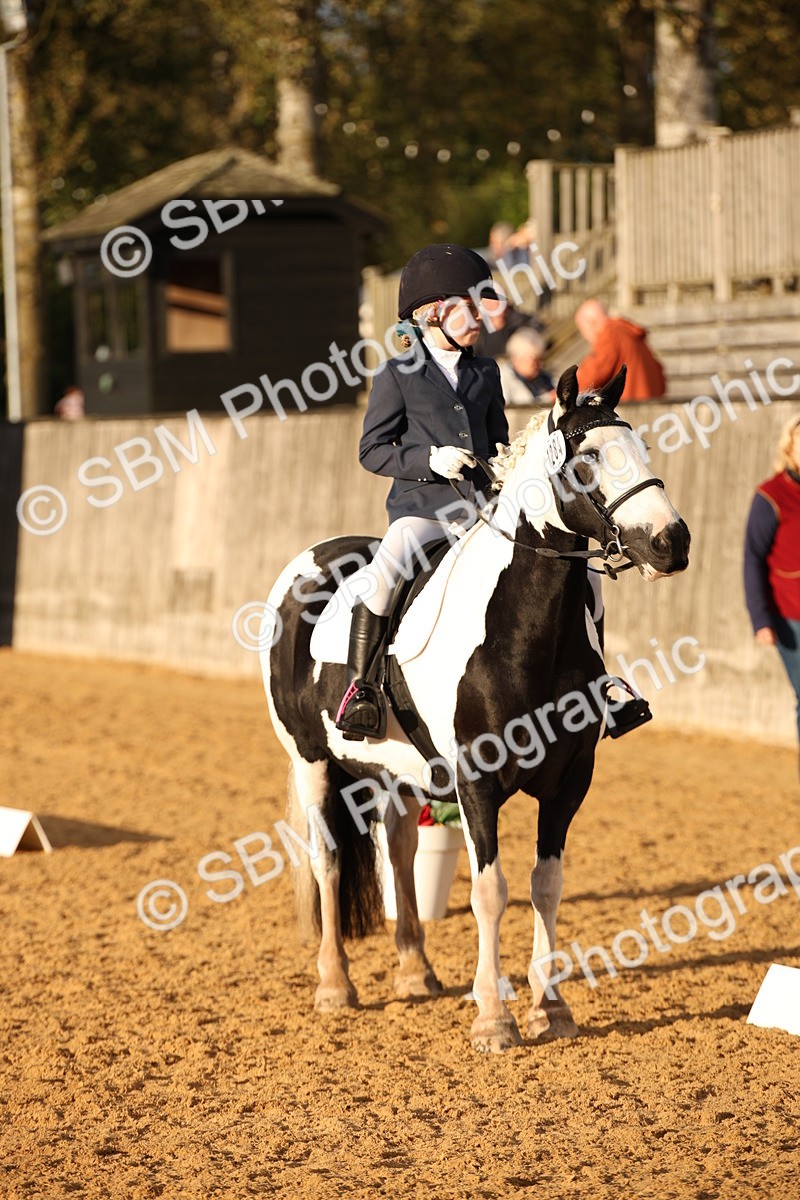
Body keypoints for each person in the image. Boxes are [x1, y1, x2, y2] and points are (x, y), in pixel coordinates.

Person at [335, 243, 509, 739]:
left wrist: (507, 469)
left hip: (483, 511)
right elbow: (372, 450)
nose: (480, 316)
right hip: (424, 511)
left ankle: (595, 679)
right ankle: (360, 689)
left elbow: (499, 442)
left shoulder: (486, 373)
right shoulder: (397, 374)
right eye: (469, 306)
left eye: (481, 304)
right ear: (433, 314)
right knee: (388, 566)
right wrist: (428, 461)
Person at [744, 413, 800, 765]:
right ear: (790, 446)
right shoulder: (771, 495)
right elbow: (752, 558)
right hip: (789, 615)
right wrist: (760, 619)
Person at [575, 299, 666, 402]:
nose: (586, 337)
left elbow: (593, 373)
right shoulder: (630, 335)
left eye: (582, 330)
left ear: (591, 323)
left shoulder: (610, 334)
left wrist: (562, 394)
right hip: (650, 406)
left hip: (630, 408)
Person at [498, 328, 556, 406]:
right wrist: (548, 398)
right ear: (517, 359)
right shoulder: (502, 380)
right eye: (534, 361)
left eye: (540, 359)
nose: (539, 365)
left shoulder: (544, 377)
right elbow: (517, 409)